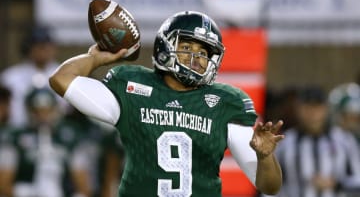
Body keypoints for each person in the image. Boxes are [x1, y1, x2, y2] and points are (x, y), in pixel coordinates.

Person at [49, 11, 284, 196]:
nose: (197, 58)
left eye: (204, 52)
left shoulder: (225, 101)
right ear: (165, 46)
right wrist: (95, 58)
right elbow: (61, 80)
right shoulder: (133, 86)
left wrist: (265, 157)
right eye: (187, 47)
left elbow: (269, 187)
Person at [269, 86, 360, 197]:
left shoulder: (344, 140)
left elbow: (357, 180)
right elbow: (270, 185)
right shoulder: (285, 142)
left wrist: (337, 184)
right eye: (307, 107)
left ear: (326, 109)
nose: (312, 113)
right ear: (298, 109)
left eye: (317, 107)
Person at [0, 25, 62, 127]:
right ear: (28, 47)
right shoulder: (10, 77)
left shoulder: (65, 74)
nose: (43, 49)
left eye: (47, 45)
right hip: (18, 133)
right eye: (39, 45)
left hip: (57, 134)